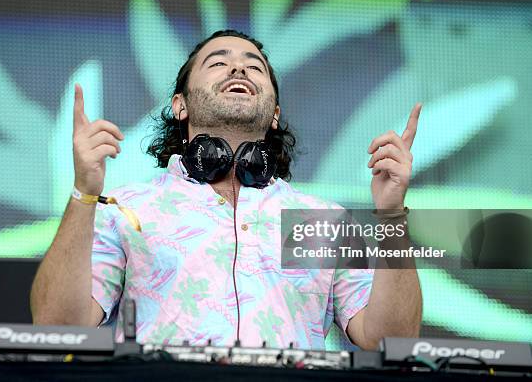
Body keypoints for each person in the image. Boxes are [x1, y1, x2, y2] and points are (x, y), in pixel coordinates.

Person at [30, 30, 422, 350]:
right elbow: (57, 325)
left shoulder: (323, 220)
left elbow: (392, 341)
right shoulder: (125, 209)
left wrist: (391, 214)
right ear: (180, 106)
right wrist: (84, 191)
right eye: (218, 62)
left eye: (255, 67)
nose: (238, 67)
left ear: (274, 115)